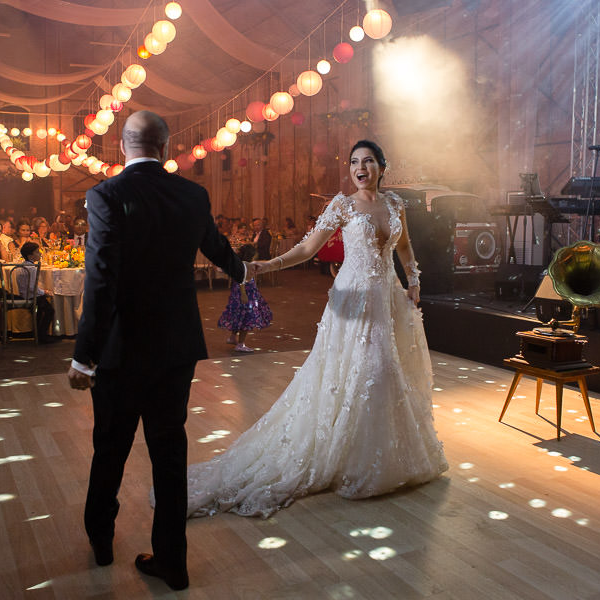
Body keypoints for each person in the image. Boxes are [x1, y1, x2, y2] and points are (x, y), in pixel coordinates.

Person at [183, 140, 448, 518]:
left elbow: (404, 247)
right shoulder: (341, 205)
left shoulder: (394, 205)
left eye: (368, 161)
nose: (361, 168)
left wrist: (415, 280)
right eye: (355, 162)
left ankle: (386, 457)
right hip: (352, 303)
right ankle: (355, 460)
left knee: (386, 374)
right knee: (365, 372)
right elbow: (307, 249)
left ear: (381, 167)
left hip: (387, 300)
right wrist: (267, 265)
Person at [66, 110, 250, 590]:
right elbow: (214, 245)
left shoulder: (105, 195)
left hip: (121, 350)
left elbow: (100, 279)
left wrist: (83, 356)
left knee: (110, 446)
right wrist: (244, 271)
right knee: (169, 453)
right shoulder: (192, 194)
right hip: (175, 348)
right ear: (166, 148)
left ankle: (102, 540)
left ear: (121, 147)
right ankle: (173, 563)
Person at [219, 245, 273, 353]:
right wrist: (244, 294)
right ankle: (240, 344)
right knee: (247, 318)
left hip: (237, 294)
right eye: (254, 257)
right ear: (250, 256)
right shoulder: (246, 266)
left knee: (239, 316)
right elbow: (242, 280)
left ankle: (233, 337)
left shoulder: (240, 264)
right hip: (246, 294)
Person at [16, 242, 56, 344]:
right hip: (31, 296)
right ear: (30, 255)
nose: (40, 254)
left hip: (24, 294)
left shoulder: (22, 266)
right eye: (37, 252)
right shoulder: (32, 268)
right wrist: (44, 292)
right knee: (50, 310)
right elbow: (32, 287)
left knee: (41, 310)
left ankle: (38, 334)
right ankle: (42, 335)